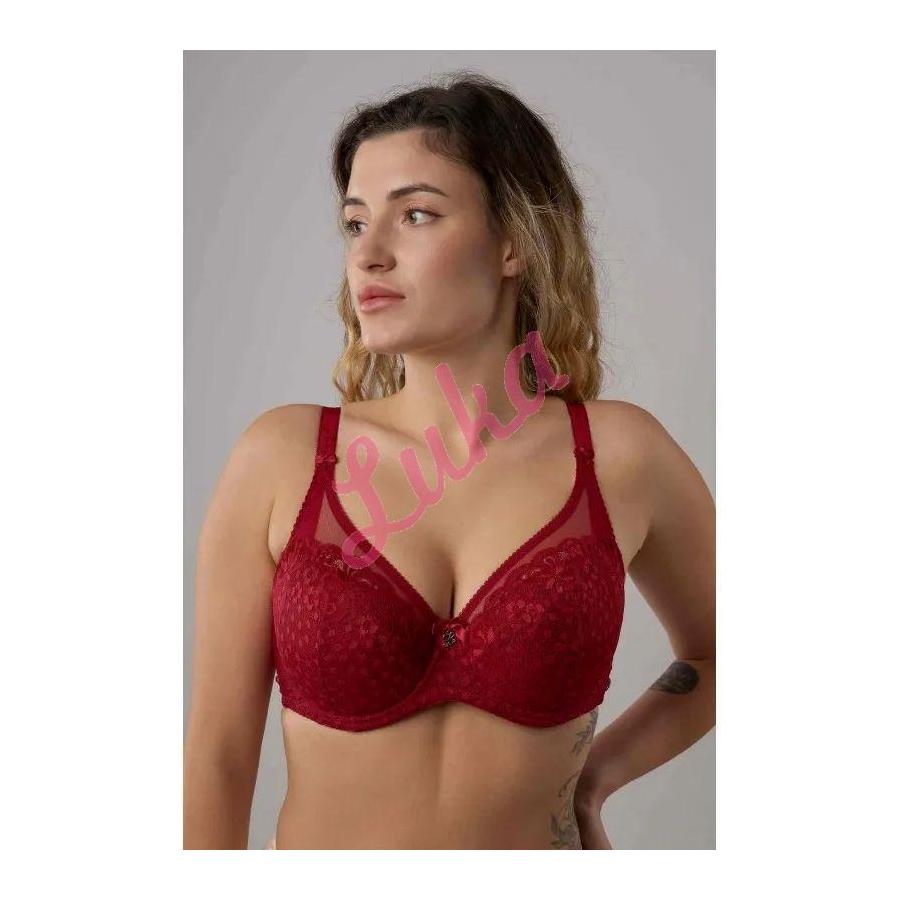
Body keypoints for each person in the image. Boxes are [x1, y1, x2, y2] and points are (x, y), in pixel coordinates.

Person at [183, 71, 715, 850]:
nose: (369, 255)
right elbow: (220, 758)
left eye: (416, 215)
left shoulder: (620, 456)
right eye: (355, 223)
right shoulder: (284, 459)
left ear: (513, 242)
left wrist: (597, 777)